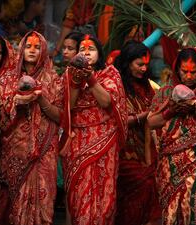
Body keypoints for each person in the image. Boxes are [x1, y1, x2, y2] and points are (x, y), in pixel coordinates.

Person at [147, 48, 196, 225]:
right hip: (171, 164)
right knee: (171, 213)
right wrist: (170, 111)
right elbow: (151, 122)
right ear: (177, 69)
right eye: (184, 72)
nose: (189, 77)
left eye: (194, 72)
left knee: (195, 207)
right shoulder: (166, 93)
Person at [0, 31, 64, 225]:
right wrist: (16, 102)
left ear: (44, 50)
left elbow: (60, 116)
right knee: (14, 202)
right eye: (28, 46)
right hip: (16, 150)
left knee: (43, 198)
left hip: (44, 151)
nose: (32, 50)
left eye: (37, 46)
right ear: (21, 49)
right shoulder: (7, 79)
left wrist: (40, 99)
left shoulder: (53, 80)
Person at [62, 34, 127, 225]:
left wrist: (90, 79)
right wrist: (75, 81)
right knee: (78, 192)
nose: (86, 52)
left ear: (100, 52)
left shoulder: (110, 73)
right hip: (78, 139)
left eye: (91, 49)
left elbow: (107, 102)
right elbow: (69, 106)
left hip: (105, 140)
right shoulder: (68, 74)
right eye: (82, 49)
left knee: (103, 192)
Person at [114, 40, 161, 225]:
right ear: (127, 62)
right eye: (139, 64)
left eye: (146, 65)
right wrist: (144, 116)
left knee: (155, 183)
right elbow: (119, 121)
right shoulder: (116, 85)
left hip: (148, 149)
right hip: (124, 152)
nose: (143, 69)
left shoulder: (147, 86)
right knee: (143, 183)